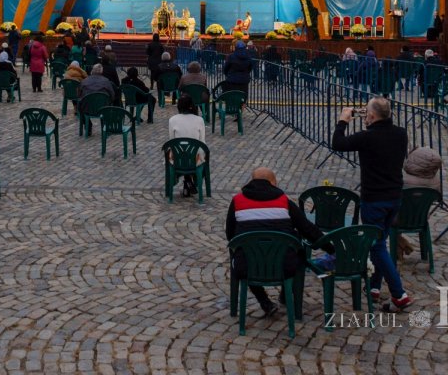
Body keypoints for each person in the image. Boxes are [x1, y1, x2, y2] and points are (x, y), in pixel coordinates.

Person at [331, 97, 412, 310]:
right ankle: (374, 287)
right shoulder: (401, 134)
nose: (364, 115)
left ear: (373, 116)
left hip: (374, 199)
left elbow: (337, 143)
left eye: (366, 112)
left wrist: (343, 121)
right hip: (394, 198)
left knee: (376, 246)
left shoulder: (367, 138)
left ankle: (399, 294)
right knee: (381, 241)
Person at [225, 166, 332, 317]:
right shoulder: (284, 202)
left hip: (248, 266)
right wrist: (332, 249)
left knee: (244, 256)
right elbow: (307, 229)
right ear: (273, 183)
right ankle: (285, 293)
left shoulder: (237, 201)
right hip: (285, 265)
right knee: (295, 250)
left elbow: (230, 235)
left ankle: (264, 301)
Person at [168, 95, 205, 196]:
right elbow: (202, 142)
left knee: (175, 155)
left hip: (178, 158)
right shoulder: (199, 120)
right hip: (194, 158)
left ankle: (185, 180)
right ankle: (192, 181)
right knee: (202, 158)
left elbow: (171, 141)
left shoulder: (172, 120)